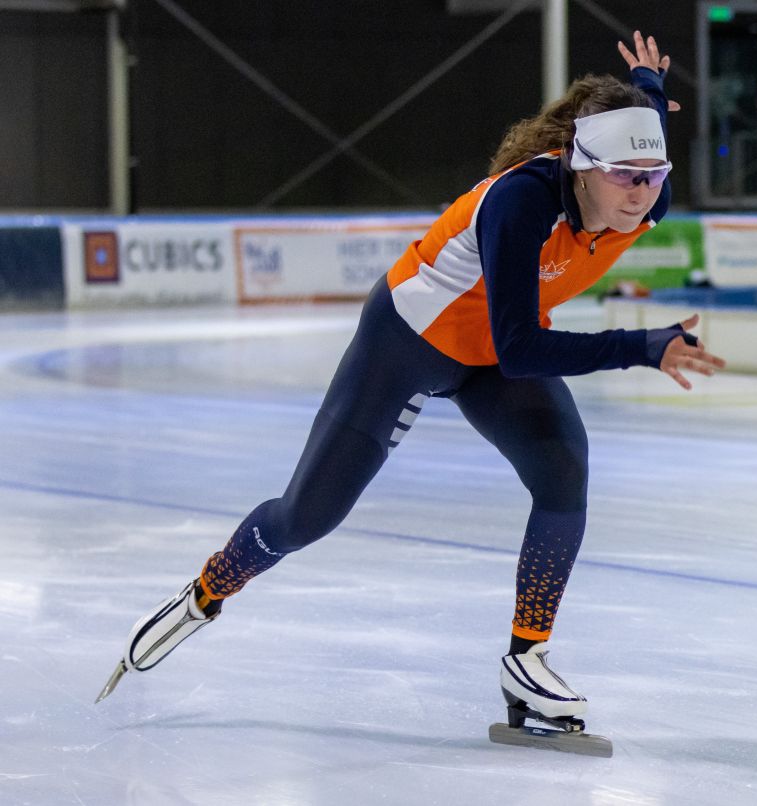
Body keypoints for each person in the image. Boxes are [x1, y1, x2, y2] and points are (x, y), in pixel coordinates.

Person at [98, 31, 725, 749]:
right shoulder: (522, 203)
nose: (640, 194)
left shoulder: (645, 193)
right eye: (623, 176)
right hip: (408, 343)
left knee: (563, 473)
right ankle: (207, 591)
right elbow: (522, 348)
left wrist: (648, 90)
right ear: (580, 166)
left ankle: (526, 660)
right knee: (307, 517)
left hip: (488, 353)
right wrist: (638, 347)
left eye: (653, 175)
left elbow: (640, 141)